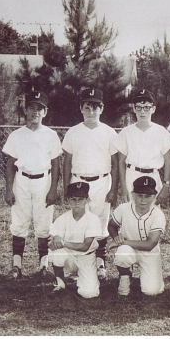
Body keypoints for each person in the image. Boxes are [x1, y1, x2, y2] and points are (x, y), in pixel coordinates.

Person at [2, 90, 62, 280]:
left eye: (40, 108)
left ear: (45, 112)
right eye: (32, 108)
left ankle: (43, 265)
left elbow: (55, 164)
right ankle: (17, 266)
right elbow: (11, 163)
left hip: (43, 181)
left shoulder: (51, 135)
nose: (35, 112)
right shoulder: (17, 135)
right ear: (26, 110)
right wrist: (8, 188)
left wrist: (53, 189)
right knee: (19, 222)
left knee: (44, 224)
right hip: (22, 180)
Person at [62, 88, 119, 280]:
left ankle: (100, 264)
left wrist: (113, 190)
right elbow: (67, 161)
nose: (91, 111)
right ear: (81, 108)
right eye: (88, 107)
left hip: (102, 181)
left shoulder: (110, 133)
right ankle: (78, 264)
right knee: (79, 222)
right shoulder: (73, 132)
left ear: (101, 109)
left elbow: (115, 163)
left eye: (95, 107)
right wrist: (65, 187)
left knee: (101, 224)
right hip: (78, 181)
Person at [107, 176, 165, 296]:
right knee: (123, 253)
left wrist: (122, 242)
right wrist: (116, 237)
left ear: (154, 196)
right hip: (129, 250)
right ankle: (125, 276)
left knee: (151, 291)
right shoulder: (124, 208)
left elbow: (150, 244)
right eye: (139, 195)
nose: (143, 200)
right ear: (133, 195)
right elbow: (111, 225)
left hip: (150, 252)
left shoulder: (158, 215)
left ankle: (146, 278)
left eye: (148, 196)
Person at [115, 89, 170, 204]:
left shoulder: (161, 131)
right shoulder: (126, 132)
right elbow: (121, 161)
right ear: (134, 108)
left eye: (147, 108)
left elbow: (168, 160)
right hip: (132, 175)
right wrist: (123, 187)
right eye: (139, 107)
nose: (142, 112)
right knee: (130, 212)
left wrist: (166, 185)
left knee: (151, 212)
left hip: (153, 176)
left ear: (153, 109)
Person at [48, 182, 101, 299]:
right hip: (69, 256)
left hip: (86, 257)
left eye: (81, 199)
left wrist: (62, 242)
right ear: (68, 200)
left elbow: (85, 246)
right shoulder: (62, 219)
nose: (77, 203)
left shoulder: (93, 219)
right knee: (56, 253)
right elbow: (52, 244)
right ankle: (60, 283)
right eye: (73, 199)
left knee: (88, 293)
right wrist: (54, 242)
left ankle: (82, 277)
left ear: (87, 200)